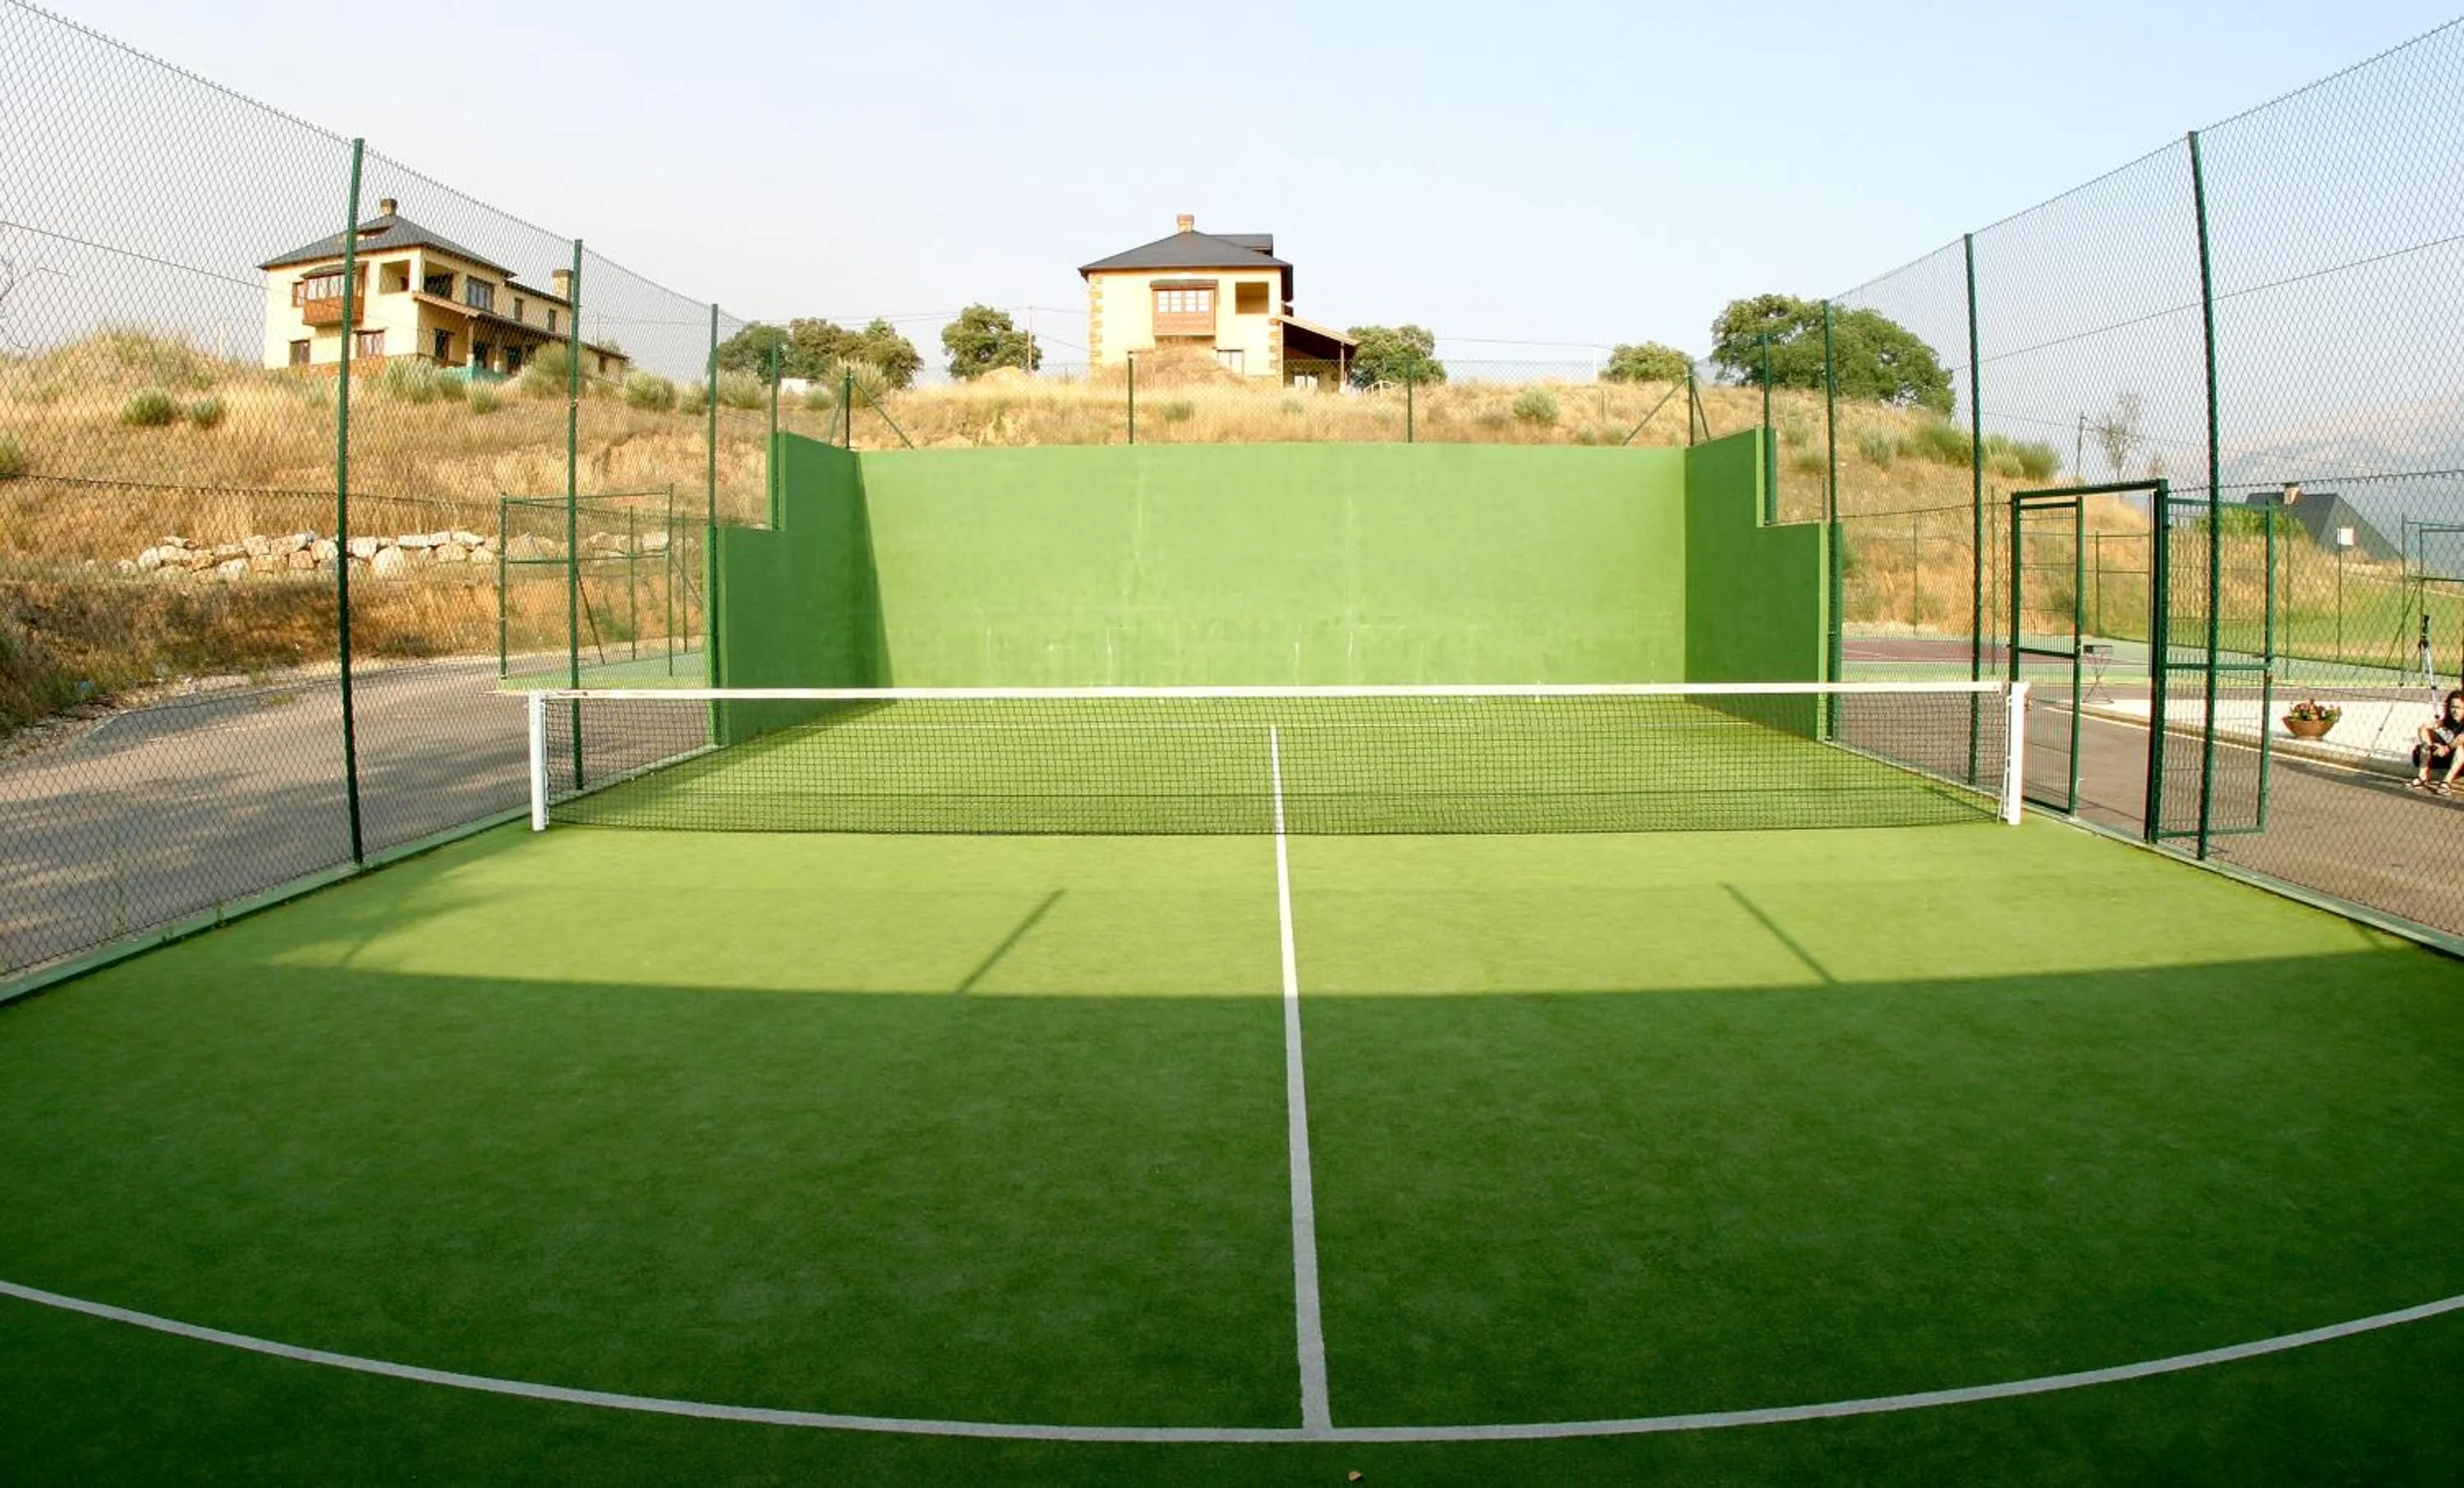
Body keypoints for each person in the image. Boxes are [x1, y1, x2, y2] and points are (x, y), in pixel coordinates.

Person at [2411, 690, 2464, 793]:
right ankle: (2422, 777)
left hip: (2461, 761)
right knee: (2424, 743)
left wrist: (2446, 748)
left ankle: (2446, 782)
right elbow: (2423, 727)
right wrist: (2430, 746)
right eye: (2452, 707)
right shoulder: (2448, 721)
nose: (2454, 711)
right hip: (2449, 758)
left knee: (2461, 747)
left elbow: (2462, 738)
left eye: (2458, 708)